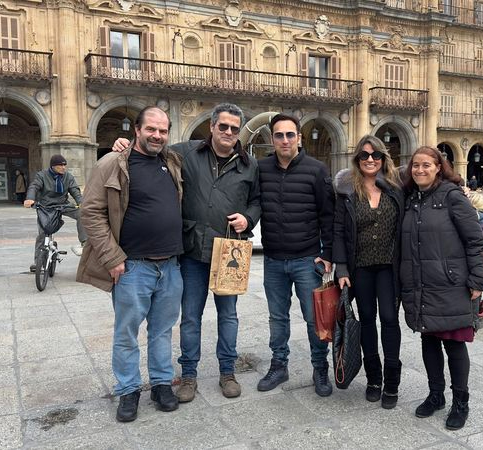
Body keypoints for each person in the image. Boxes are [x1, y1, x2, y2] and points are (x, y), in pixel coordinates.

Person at [112, 103, 261, 401]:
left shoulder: (250, 164)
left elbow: (257, 200)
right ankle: (189, 375)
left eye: (234, 128)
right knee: (190, 317)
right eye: (223, 126)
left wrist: (248, 218)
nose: (228, 132)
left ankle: (227, 372)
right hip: (193, 251)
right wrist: (124, 145)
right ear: (212, 126)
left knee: (229, 316)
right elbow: (152, 147)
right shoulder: (185, 153)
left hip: (230, 252)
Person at [77, 106, 185, 422]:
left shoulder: (172, 161)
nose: (157, 135)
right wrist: (112, 258)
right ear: (136, 130)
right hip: (132, 267)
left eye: (163, 131)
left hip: (170, 266)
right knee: (126, 333)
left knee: (162, 331)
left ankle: (161, 384)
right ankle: (128, 390)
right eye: (151, 129)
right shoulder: (113, 163)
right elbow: (90, 212)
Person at [400, 146, 483, 431]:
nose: (420, 170)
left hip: (450, 284)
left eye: (426, 165)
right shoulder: (410, 198)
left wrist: (479, 278)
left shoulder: (452, 196)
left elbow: (475, 239)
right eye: (415, 165)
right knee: (429, 340)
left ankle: (461, 402)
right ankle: (436, 395)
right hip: (421, 283)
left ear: (439, 167)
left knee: (454, 344)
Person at [255, 114, 336, 397]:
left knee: (314, 318)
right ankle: (279, 365)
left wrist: (328, 254)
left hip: (307, 259)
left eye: (290, 134)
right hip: (273, 260)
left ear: (299, 138)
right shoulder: (261, 169)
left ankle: (320, 367)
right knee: (277, 318)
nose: (285, 140)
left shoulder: (317, 170)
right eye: (279, 135)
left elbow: (328, 215)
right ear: (272, 139)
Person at [333, 135, 403, 408]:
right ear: (357, 159)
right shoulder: (347, 191)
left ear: (383, 159)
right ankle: (374, 378)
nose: (370, 159)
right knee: (366, 320)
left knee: (389, 318)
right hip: (360, 267)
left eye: (375, 155)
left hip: (389, 267)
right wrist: (341, 267)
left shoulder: (396, 188)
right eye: (364, 155)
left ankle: (392, 382)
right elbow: (338, 231)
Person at [23, 154, 86, 270]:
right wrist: (30, 198)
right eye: (60, 165)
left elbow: (75, 191)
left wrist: (81, 202)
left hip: (63, 205)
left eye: (64, 165)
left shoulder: (68, 177)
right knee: (42, 234)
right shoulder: (42, 175)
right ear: (53, 166)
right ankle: (38, 263)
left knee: (82, 213)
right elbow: (34, 186)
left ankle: (84, 242)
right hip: (46, 207)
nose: (63, 168)